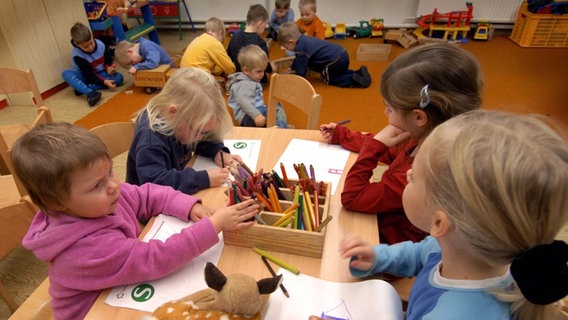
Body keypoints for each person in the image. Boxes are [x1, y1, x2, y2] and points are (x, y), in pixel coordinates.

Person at [12, 122, 259, 320]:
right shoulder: (82, 249)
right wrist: (213, 226)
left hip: (121, 293)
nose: (112, 185)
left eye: (109, 171)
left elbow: (147, 194)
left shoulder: (101, 199)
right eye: (96, 185)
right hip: (97, 311)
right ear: (57, 203)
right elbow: (155, 258)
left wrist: (187, 205)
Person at [339, 110, 568, 320]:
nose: (407, 173)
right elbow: (420, 254)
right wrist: (378, 257)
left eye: (414, 177)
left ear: (439, 223)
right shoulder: (463, 247)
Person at [320, 43, 483, 244]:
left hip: (386, 246)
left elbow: (352, 198)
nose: (385, 114)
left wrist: (373, 146)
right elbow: (390, 149)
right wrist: (342, 135)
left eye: (389, 109)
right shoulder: (424, 137)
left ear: (419, 117)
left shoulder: (418, 173)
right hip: (379, 226)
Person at [126, 67, 242, 195]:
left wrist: (216, 151)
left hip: (174, 193)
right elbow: (155, 184)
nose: (201, 137)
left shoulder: (182, 121)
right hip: (146, 209)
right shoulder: (150, 140)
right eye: (200, 132)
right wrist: (204, 179)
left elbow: (202, 139)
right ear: (173, 113)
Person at [278, 22, 371, 88]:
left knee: (330, 79)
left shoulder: (301, 48)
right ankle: (358, 73)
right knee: (338, 73)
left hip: (334, 60)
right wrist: (291, 68)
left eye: (285, 46)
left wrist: (295, 80)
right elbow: (298, 60)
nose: (284, 49)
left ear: (291, 42)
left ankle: (353, 80)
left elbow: (301, 70)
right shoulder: (304, 40)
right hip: (341, 53)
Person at [61, 22, 124, 107]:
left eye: (91, 43)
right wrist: (104, 82)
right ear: (77, 44)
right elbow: (89, 74)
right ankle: (90, 92)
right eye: (86, 47)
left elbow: (108, 59)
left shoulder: (101, 45)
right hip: (85, 75)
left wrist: (108, 67)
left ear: (92, 37)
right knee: (66, 73)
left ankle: (82, 88)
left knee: (119, 78)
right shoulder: (77, 55)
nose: (90, 48)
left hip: (100, 73)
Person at [227, 45, 287, 128]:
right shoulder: (245, 84)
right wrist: (256, 115)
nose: (262, 74)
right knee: (277, 109)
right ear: (246, 70)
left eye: (263, 70)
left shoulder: (249, 79)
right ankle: (281, 130)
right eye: (259, 71)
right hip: (248, 116)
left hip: (250, 114)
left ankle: (275, 125)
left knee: (275, 107)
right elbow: (242, 101)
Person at [227, 4, 273, 83]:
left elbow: (228, 58)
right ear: (260, 24)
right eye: (265, 25)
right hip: (257, 81)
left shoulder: (234, 37)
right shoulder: (260, 42)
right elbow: (266, 66)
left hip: (240, 79)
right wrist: (272, 68)